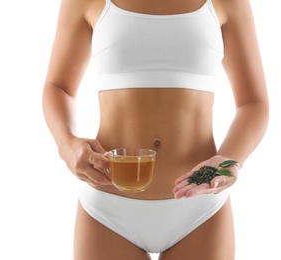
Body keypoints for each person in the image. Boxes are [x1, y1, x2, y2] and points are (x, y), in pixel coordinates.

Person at [42, 0, 268, 258]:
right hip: (109, 207)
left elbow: (254, 103)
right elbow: (58, 86)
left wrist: (230, 161)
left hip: (200, 206)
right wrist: (66, 144)